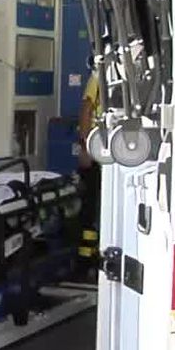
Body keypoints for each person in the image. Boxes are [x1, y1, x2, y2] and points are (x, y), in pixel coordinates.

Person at [76, 68, 103, 276]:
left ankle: (98, 254)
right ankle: (85, 259)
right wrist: (85, 147)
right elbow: (86, 108)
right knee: (91, 205)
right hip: (96, 151)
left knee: (103, 207)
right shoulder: (99, 74)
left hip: (114, 152)